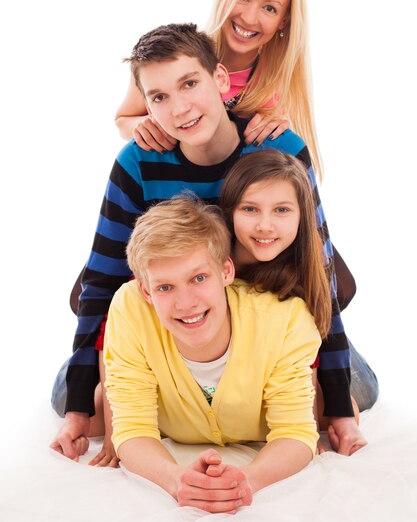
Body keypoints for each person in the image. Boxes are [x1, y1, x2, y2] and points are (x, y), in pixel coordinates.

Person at [50, 23, 357, 466]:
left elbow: (318, 269)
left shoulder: (278, 148)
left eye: (189, 84)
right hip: (177, 337)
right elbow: (103, 281)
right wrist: (79, 408)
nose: (179, 109)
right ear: (146, 105)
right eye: (159, 98)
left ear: (219, 79)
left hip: (268, 340)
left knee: (354, 391)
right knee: (68, 395)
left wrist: (340, 407)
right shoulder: (138, 161)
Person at [104, 195, 322, 513]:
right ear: (146, 291)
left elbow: (296, 432)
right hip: (125, 356)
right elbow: (133, 427)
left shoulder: (284, 319)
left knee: (341, 398)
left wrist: (248, 480)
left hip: (302, 347)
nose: (186, 303)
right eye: (165, 287)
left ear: (226, 271)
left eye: (199, 278)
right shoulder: (130, 308)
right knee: (88, 404)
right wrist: (175, 479)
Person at [114, 0, 321, 178]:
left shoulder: (274, 86)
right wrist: (140, 127)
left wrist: (279, 130)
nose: (249, 17)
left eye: (270, 8)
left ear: (284, 21)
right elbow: (123, 120)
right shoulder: (172, 59)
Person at [219, 150, 376, 450]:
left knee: (357, 398)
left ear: (303, 215)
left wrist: (317, 418)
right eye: (250, 209)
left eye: (282, 210)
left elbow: (322, 334)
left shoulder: (306, 261)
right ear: (230, 211)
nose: (265, 225)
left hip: (321, 347)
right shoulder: (215, 260)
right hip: (268, 359)